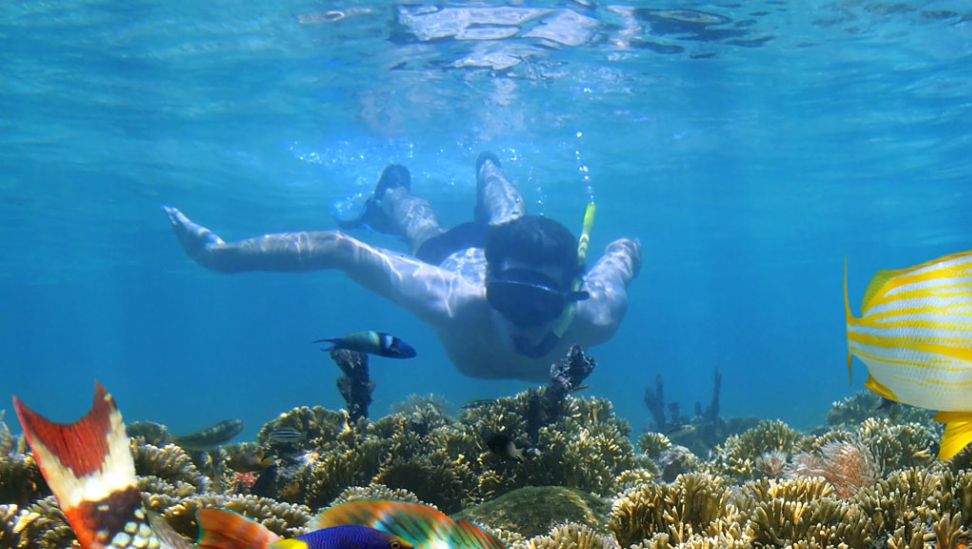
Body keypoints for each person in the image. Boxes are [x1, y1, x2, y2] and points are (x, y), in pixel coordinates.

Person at [164, 153, 641, 381]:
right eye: (511, 298)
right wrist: (221, 258)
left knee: (511, 219)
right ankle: (416, 185)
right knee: (429, 229)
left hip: (507, 258)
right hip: (451, 259)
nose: (524, 319)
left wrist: (629, 249)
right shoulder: (451, 301)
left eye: (541, 303)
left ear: (569, 297)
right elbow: (338, 247)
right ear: (489, 286)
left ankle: (485, 170)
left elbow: (623, 253)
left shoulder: (595, 317)